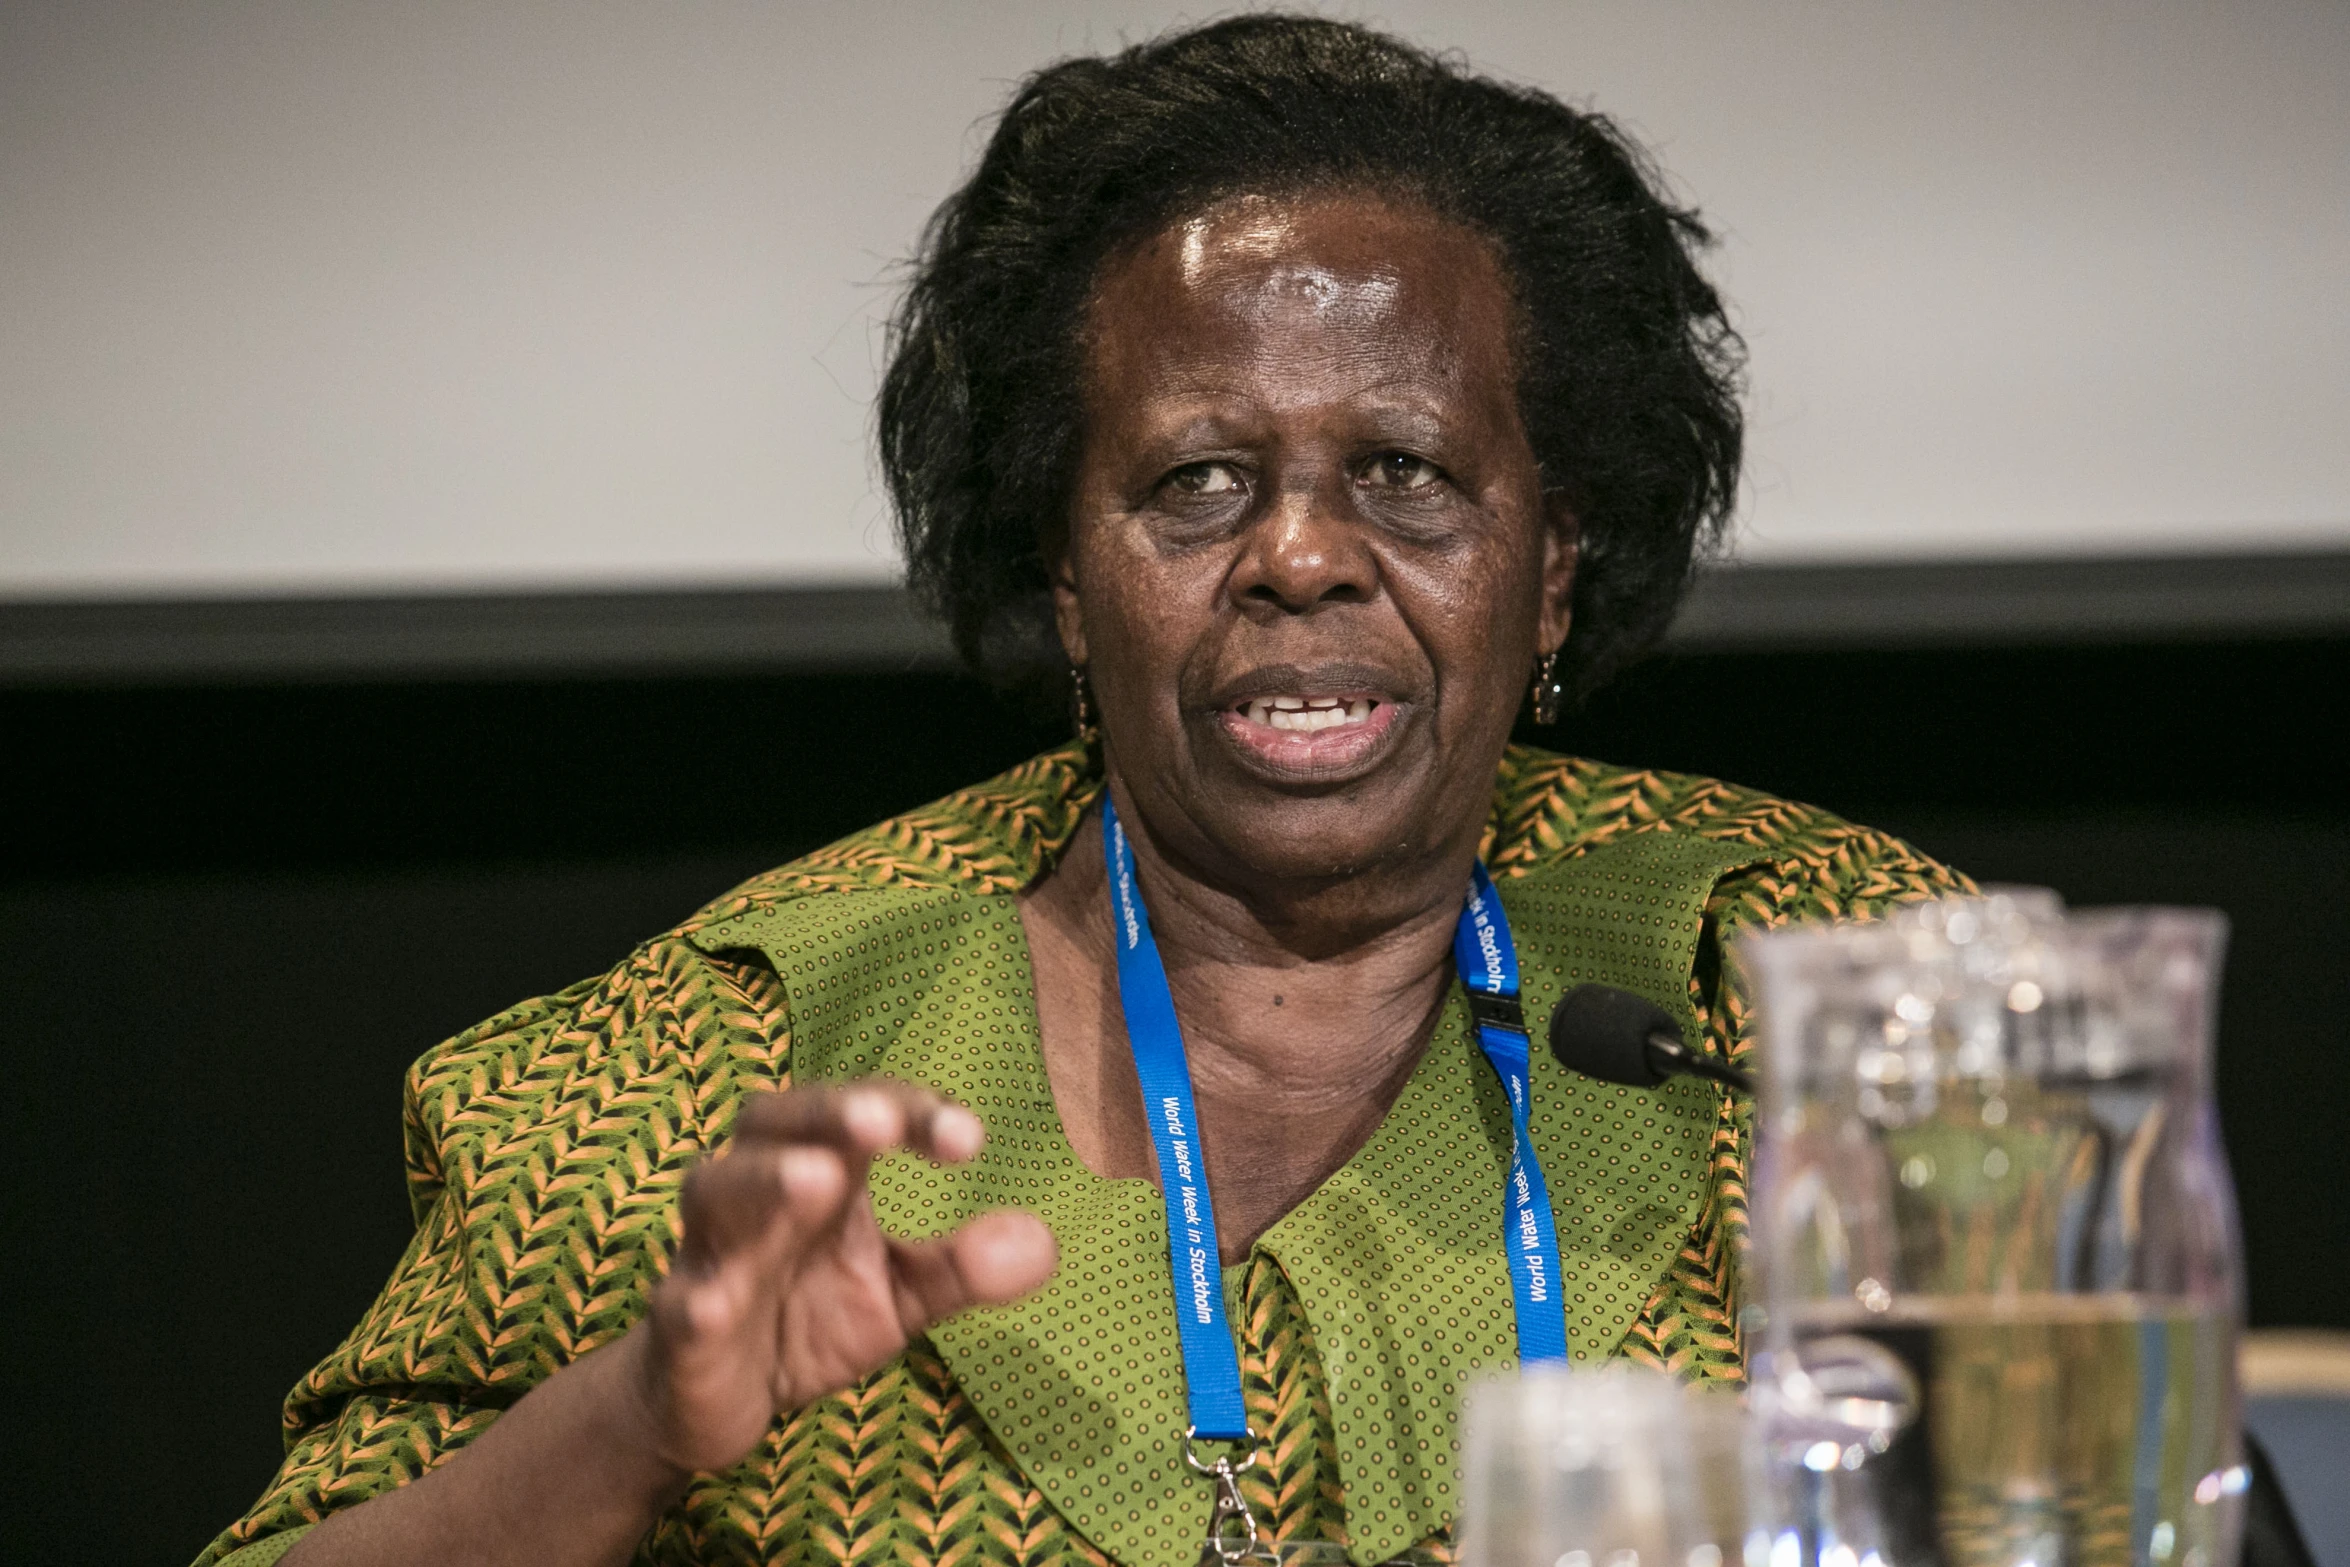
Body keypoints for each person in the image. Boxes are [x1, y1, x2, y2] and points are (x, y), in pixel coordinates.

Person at [201, 17, 1966, 1567]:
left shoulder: (1833, 993)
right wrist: (634, 1419)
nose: (1296, 556)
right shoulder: (709, 1081)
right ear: (1061, 564)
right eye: (1196, 480)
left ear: (1554, 561)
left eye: (1406, 474)